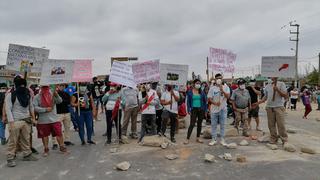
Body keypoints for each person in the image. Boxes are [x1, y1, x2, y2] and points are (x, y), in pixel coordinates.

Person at [5, 77, 38, 167]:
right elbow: (8, 109)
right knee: (13, 141)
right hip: (15, 121)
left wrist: (33, 118)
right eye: (21, 85)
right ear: (16, 85)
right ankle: (10, 158)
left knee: (26, 139)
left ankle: (27, 155)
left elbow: (31, 106)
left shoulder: (27, 94)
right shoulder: (10, 95)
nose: (22, 87)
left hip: (26, 120)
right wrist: (11, 122)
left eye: (24, 85)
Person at [34, 85, 68, 156]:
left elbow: (60, 101)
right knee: (44, 136)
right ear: (41, 87)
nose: (45, 88)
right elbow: (35, 107)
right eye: (43, 87)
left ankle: (62, 146)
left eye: (46, 87)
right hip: (43, 121)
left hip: (54, 119)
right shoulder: (37, 96)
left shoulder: (52, 94)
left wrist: (56, 94)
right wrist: (45, 109)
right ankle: (46, 149)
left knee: (59, 133)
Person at [256, 77, 289, 145]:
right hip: (269, 107)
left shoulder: (281, 84)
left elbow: (285, 95)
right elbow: (265, 96)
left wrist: (277, 90)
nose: (271, 77)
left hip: (279, 107)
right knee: (271, 125)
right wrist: (258, 102)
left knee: (281, 124)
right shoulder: (268, 85)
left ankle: (284, 139)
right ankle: (273, 138)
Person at [208, 74, 230, 146]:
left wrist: (222, 90)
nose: (219, 80)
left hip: (223, 109)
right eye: (217, 78)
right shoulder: (212, 88)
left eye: (220, 78)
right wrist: (215, 103)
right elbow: (209, 99)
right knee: (213, 125)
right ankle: (214, 139)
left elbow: (228, 96)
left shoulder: (226, 87)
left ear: (222, 79)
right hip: (214, 110)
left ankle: (222, 139)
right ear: (215, 79)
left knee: (223, 125)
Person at [184, 79, 207, 144]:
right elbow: (188, 102)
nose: (198, 84)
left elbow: (205, 102)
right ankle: (187, 138)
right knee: (192, 124)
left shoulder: (202, 92)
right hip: (193, 109)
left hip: (201, 109)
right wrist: (188, 109)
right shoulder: (190, 92)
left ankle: (198, 138)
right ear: (194, 84)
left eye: (199, 83)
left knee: (199, 124)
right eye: (197, 83)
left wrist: (205, 110)